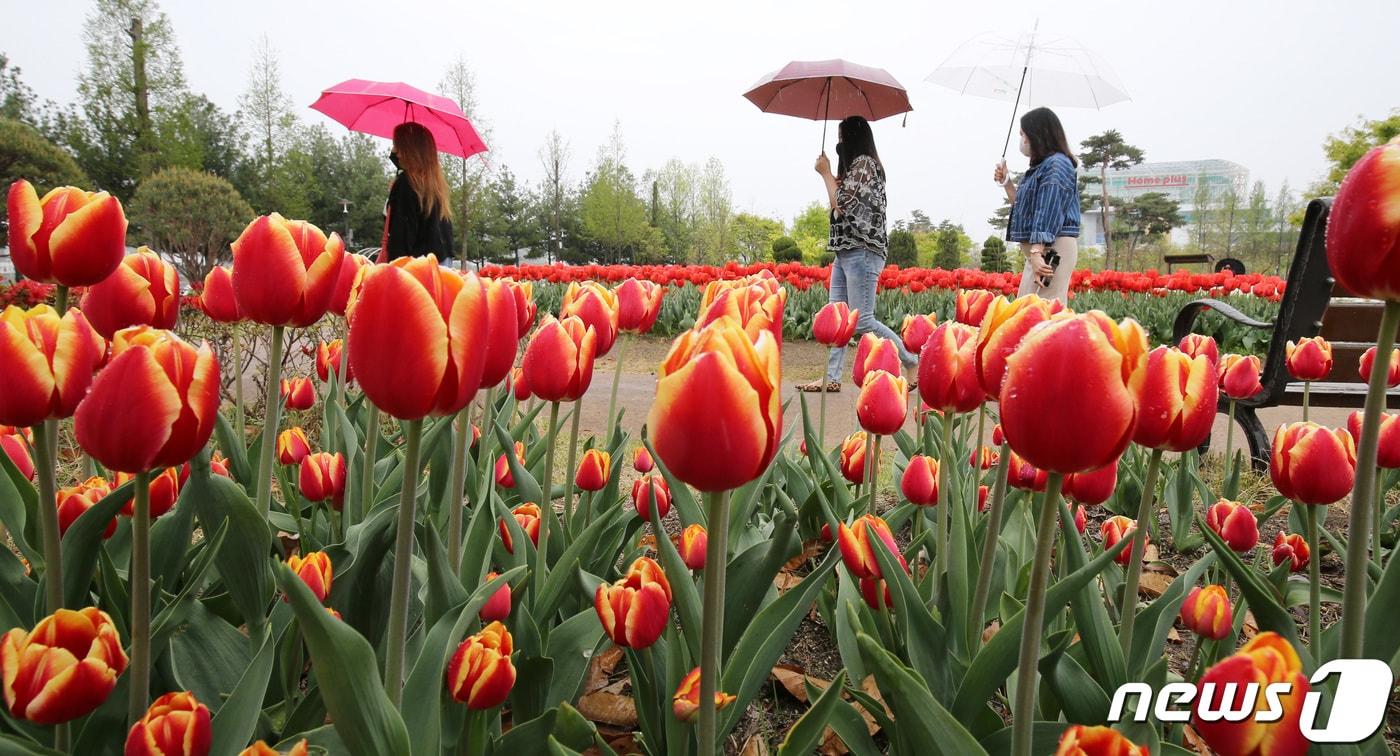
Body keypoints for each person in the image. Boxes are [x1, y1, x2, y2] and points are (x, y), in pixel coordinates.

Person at [798, 115, 917, 394]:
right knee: (837, 319)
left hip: (863, 251)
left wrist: (825, 173)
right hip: (845, 252)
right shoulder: (855, 168)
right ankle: (831, 377)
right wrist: (830, 173)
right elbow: (839, 201)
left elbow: (841, 205)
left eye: (841, 138)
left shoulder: (865, 164)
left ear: (852, 137)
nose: (839, 143)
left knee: (862, 320)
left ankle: (912, 361)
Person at [994, 107, 1081, 304]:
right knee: (1027, 309)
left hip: (1051, 249)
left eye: (1023, 134)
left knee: (1042, 312)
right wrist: (1007, 182)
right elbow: (1024, 209)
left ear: (1036, 135)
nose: (1022, 140)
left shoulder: (1057, 165)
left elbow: (1048, 211)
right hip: (1041, 250)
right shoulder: (1041, 167)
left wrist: (1036, 252)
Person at [379, 122, 455, 261]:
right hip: (439, 263)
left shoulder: (406, 184)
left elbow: (401, 239)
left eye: (398, 145)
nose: (395, 151)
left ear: (410, 150)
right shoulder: (436, 185)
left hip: (412, 268)